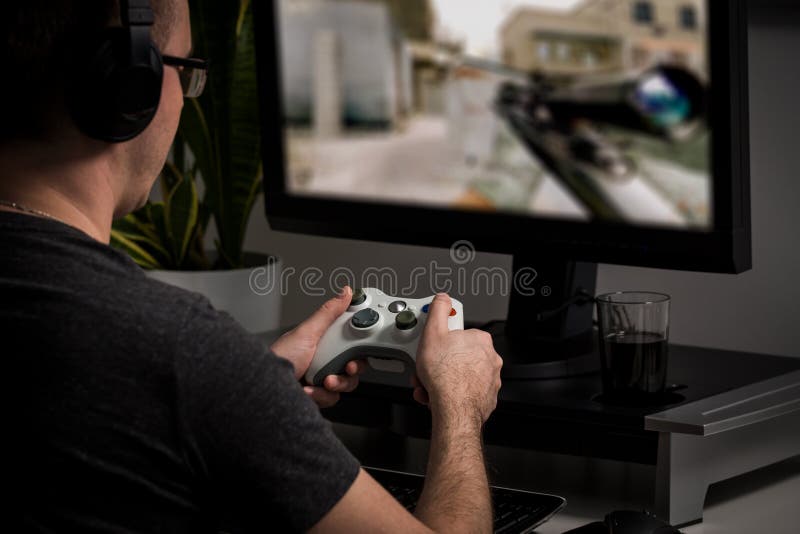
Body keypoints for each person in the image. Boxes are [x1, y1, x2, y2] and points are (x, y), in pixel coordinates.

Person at [2, 1, 503, 532]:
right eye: (184, 70)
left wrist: (249, 396)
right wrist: (461, 407)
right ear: (130, 83)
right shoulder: (179, 352)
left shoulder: (181, 365)